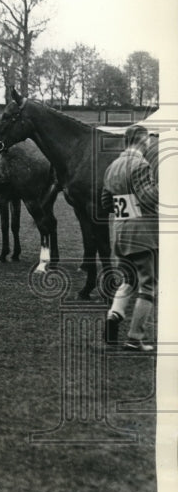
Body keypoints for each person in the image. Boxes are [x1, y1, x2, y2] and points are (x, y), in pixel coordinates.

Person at [101, 125, 158, 352]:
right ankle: (135, 338)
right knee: (148, 285)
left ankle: (115, 314)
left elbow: (107, 203)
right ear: (143, 141)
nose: (149, 144)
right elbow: (149, 198)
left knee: (128, 280)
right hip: (142, 233)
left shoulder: (112, 166)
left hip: (121, 231)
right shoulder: (141, 165)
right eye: (148, 141)